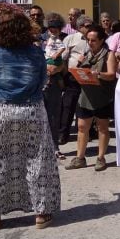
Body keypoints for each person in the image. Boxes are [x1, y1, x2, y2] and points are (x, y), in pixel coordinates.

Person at [0, 14, 61, 230]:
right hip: (32, 110)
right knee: (37, 160)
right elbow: (43, 79)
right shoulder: (36, 53)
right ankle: (41, 213)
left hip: (3, 111)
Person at [65, 25, 117, 172]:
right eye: (88, 40)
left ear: (101, 40)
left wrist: (98, 74)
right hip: (86, 95)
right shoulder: (86, 53)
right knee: (82, 127)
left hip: (102, 96)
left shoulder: (109, 55)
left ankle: (101, 158)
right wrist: (78, 65)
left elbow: (111, 75)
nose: (90, 43)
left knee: (102, 127)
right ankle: (80, 158)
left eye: (93, 40)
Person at [57, 14, 93, 146]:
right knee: (68, 105)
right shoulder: (70, 39)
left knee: (85, 105)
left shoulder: (94, 38)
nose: (90, 28)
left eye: (91, 25)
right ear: (79, 27)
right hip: (72, 76)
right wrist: (65, 75)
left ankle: (85, 134)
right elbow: (63, 58)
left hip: (88, 77)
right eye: (88, 26)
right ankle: (63, 134)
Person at [42, 12, 67, 159]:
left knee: (54, 115)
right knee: (40, 116)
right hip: (40, 82)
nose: (53, 28)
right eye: (50, 25)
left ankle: (55, 146)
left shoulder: (63, 40)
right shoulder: (40, 39)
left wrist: (58, 69)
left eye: (56, 25)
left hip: (55, 82)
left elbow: (65, 62)